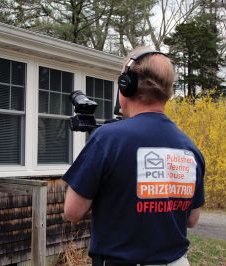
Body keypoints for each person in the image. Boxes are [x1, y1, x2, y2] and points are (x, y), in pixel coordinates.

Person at [63, 47, 205, 266]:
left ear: (125, 86)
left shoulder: (107, 139)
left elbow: (72, 211)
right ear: (167, 92)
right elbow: (192, 220)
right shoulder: (190, 148)